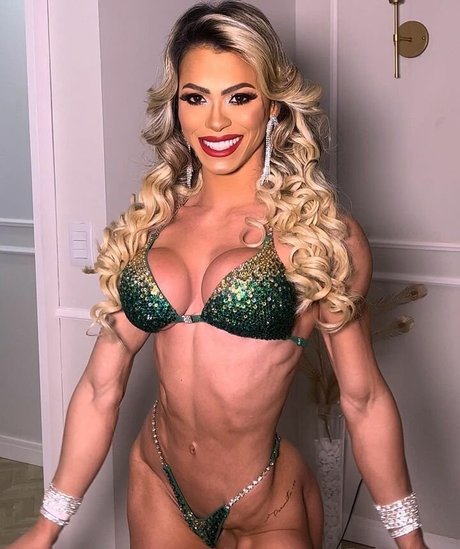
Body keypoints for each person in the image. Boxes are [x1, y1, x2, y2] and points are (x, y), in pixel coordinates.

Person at [9, 2, 427, 548]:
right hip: (157, 481)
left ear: (272, 104)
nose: (216, 122)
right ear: (176, 106)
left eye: (239, 96)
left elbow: (363, 399)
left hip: (266, 502)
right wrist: (46, 527)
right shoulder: (152, 225)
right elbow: (99, 388)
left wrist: (409, 540)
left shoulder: (319, 235)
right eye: (196, 98)